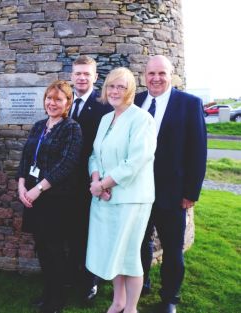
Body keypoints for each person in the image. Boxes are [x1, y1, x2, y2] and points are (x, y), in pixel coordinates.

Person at [137, 55, 207, 313]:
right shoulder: (136, 102)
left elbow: (198, 151)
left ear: (171, 75)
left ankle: (169, 299)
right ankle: (141, 283)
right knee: (139, 243)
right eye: (151, 73)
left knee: (172, 249)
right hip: (138, 192)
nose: (156, 78)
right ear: (144, 76)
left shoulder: (189, 104)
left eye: (162, 73)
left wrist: (191, 192)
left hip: (173, 193)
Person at [86, 67, 157, 313]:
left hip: (131, 199)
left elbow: (136, 161)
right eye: (111, 86)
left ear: (131, 91)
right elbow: (96, 154)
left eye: (121, 87)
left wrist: (104, 184)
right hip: (105, 198)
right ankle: (118, 302)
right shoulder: (107, 118)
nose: (115, 91)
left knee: (129, 256)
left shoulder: (142, 119)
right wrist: (96, 180)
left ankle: (131, 308)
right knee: (113, 253)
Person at [18, 80, 83, 313]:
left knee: (55, 249)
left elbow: (66, 164)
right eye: (49, 98)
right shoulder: (38, 126)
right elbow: (26, 157)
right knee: (42, 247)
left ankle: (57, 299)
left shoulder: (72, 128)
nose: (52, 103)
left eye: (58, 99)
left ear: (67, 103)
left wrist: (38, 189)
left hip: (56, 200)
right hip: (33, 197)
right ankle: (47, 293)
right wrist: (22, 184)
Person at [66, 55, 112, 301]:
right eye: (77, 73)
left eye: (87, 74)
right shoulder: (65, 102)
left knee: (90, 233)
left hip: (91, 181)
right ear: (71, 76)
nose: (81, 78)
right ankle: (71, 277)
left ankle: (89, 282)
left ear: (95, 77)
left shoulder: (104, 105)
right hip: (65, 181)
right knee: (71, 232)